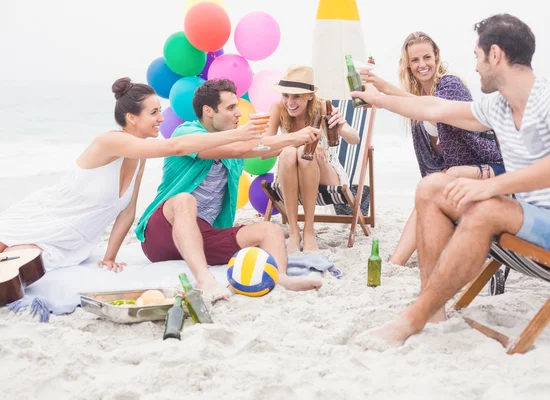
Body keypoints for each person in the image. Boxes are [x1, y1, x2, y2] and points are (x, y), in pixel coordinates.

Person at [350, 14, 550, 345]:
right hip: (529, 221)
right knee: (432, 187)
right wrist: (378, 98)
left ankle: (412, 318)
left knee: (484, 208)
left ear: (494, 54)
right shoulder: (498, 106)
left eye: (477, 57)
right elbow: (435, 108)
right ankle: (435, 313)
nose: (477, 67)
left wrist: (490, 185)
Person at [0, 78, 260, 270]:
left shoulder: (139, 156)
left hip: (73, 241)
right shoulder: (109, 142)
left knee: (21, 268)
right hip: (43, 219)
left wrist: (109, 257)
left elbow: (127, 213)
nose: (161, 118)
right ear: (132, 118)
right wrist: (235, 134)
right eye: (154, 112)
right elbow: (176, 146)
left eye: (160, 111)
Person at [135, 79, 323, 302]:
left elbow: (253, 148)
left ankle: (279, 277)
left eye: (237, 107)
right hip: (162, 234)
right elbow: (235, 149)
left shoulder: (235, 147)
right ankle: (204, 280)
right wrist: (293, 137)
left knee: (271, 230)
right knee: (184, 200)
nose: (238, 114)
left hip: (203, 235)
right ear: (208, 111)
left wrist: (297, 139)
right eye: (231, 108)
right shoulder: (185, 132)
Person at [361, 32, 504, 267]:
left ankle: (395, 262)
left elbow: (431, 110)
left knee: (437, 185)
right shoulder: (418, 98)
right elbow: (419, 105)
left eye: (427, 57)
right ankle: (396, 262)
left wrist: (382, 93)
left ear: (436, 56)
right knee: (432, 189)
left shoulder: (450, 85)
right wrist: (381, 88)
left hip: (489, 168)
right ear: (408, 65)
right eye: (415, 60)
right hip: (456, 177)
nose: (422, 65)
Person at [263, 66, 360, 253]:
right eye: (286, 95)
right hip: (290, 172)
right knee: (291, 152)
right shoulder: (277, 108)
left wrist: (340, 124)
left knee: (305, 154)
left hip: (326, 172)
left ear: (309, 96)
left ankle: (308, 231)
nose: (289, 102)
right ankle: (293, 232)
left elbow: (354, 139)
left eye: (296, 96)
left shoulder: (322, 107)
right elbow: (264, 152)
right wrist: (296, 142)